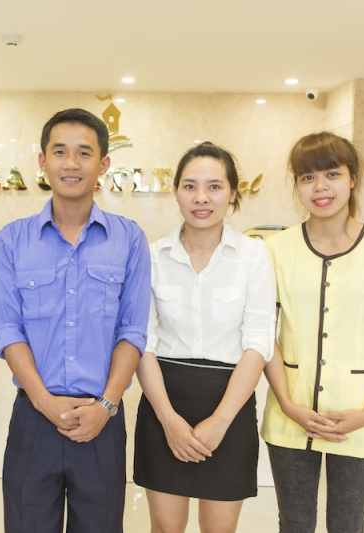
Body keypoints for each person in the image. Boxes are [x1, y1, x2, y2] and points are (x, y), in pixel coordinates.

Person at [0, 108, 151, 533]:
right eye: (60, 152)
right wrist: (44, 402)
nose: (71, 163)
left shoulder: (130, 239)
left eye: (84, 152)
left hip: (102, 419)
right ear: (42, 161)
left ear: (104, 163)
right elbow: (8, 330)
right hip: (34, 418)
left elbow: (132, 331)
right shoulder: (11, 240)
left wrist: (106, 405)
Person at [261, 132, 364, 532]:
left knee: (349, 524)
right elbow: (264, 333)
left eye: (332, 174)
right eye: (307, 177)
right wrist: (287, 403)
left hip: (361, 414)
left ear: (353, 178)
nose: (320, 187)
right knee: (294, 523)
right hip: (290, 414)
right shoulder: (274, 250)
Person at [133, 142, 276, 533]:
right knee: (166, 528)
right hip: (165, 403)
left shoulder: (254, 256)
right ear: (176, 191)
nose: (201, 197)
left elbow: (258, 342)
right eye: (190, 186)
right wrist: (168, 420)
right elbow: (142, 343)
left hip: (230, 403)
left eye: (214, 186)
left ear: (232, 194)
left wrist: (220, 420)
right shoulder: (151, 256)